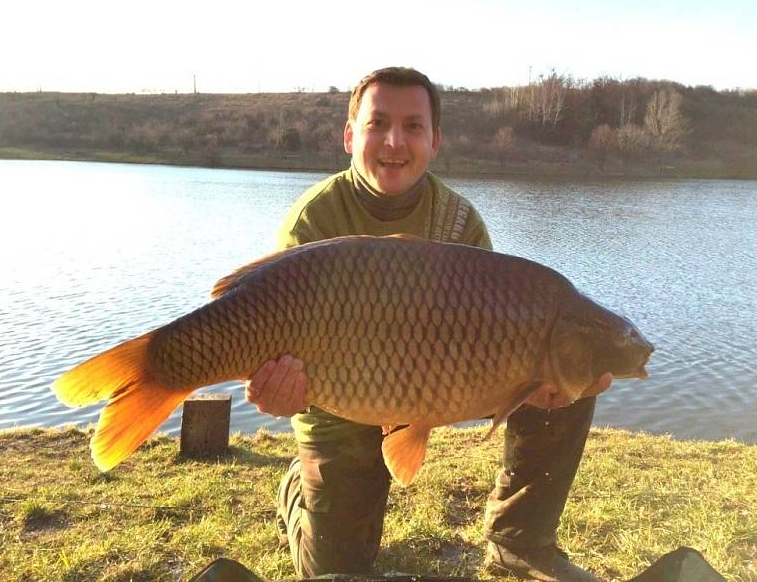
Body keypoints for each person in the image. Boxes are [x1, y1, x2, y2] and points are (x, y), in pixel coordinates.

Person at [245, 67, 612, 582]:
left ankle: (520, 541)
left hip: (420, 393)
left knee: (567, 366)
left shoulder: (458, 224)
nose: (395, 142)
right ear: (350, 136)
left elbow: (493, 339)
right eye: (378, 124)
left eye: (413, 127)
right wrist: (281, 393)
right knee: (337, 570)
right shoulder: (312, 223)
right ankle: (298, 488)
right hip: (338, 406)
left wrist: (528, 385)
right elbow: (272, 348)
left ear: (434, 141)